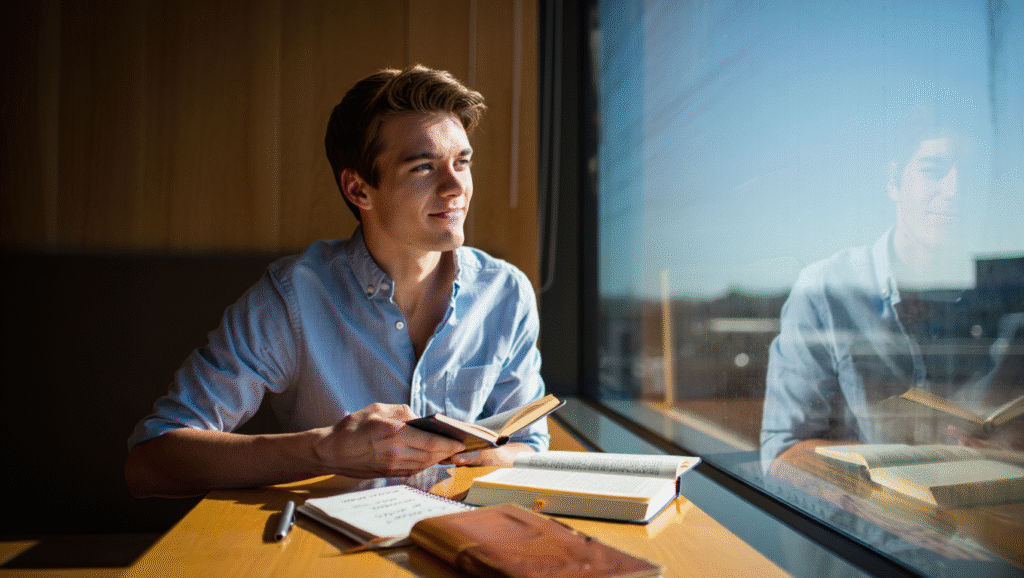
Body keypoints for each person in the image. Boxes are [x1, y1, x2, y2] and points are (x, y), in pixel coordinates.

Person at [125, 65, 548, 497]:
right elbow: (150, 461)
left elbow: (529, 445)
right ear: (358, 189)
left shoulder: (506, 293)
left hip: (457, 541)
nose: (456, 185)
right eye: (424, 167)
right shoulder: (293, 296)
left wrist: (487, 454)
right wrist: (324, 449)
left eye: (462, 161)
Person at [760, 107, 1022, 473]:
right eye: (933, 170)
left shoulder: (1012, 301)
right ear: (893, 182)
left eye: (973, 174)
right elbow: (783, 453)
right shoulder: (827, 292)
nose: (956, 190)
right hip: (862, 528)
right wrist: (888, 518)